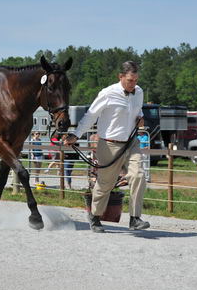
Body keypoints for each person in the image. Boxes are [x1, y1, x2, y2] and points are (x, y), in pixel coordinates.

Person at [64, 61, 150, 233]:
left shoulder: (139, 92)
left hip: (131, 142)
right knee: (105, 184)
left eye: (135, 80)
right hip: (109, 144)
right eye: (130, 80)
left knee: (138, 175)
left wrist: (140, 117)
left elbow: (137, 111)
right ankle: (95, 216)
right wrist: (76, 135)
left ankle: (135, 218)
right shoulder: (108, 93)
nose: (133, 84)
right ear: (120, 77)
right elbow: (91, 115)